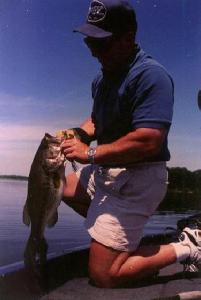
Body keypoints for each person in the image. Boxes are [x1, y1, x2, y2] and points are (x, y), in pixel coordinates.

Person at [60, 0, 201, 288]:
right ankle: (113, 234)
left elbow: (148, 140)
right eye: (90, 42)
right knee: (62, 189)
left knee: (105, 275)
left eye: (102, 44)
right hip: (105, 171)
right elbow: (97, 120)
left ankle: (190, 247)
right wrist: (78, 133)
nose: (94, 52)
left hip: (138, 177)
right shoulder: (102, 80)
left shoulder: (152, 76)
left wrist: (89, 152)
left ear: (128, 38)